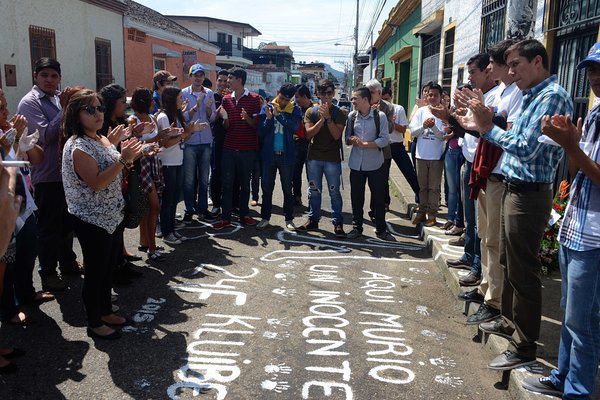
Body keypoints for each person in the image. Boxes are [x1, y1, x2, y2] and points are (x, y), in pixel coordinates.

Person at [458, 39, 573, 370]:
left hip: (529, 192)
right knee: (508, 261)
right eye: (507, 66)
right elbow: (513, 133)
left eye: (516, 65)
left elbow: (525, 147)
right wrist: (486, 122)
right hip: (512, 187)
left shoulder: (551, 97)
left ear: (537, 62)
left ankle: (524, 345)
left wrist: (486, 127)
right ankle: (508, 322)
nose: (510, 72)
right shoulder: (530, 94)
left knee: (523, 269)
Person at [520, 43, 600, 399]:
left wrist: (572, 146)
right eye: (591, 71)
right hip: (575, 227)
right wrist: (572, 144)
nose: (595, 78)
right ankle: (562, 378)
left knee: (584, 322)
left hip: (594, 237)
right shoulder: (596, 116)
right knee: (570, 313)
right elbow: (577, 173)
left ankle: (578, 391)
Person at [61, 89, 143, 339]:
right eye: (90, 110)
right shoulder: (78, 146)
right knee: (96, 270)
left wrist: (123, 151)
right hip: (91, 219)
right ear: (76, 115)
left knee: (107, 268)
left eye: (99, 108)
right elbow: (97, 182)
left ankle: (105, 310)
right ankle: (94, 321)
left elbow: (115, 163)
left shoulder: (99, 137)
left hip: (111, 216)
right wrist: (124, 159)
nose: (98, 113)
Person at [459, 40, 523, 325]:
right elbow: (483, 127)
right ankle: (486, 289)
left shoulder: (515, 94)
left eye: (493, 65)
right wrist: (463, 119)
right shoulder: (501, 92)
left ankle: (495, 301)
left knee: (495, 242)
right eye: (504, 63)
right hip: (488, 172)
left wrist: (484, 117)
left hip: (500, 173)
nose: (490, 69)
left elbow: (498, 128)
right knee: (486, 237)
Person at [16, 58, 81, 292]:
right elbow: (45, 137)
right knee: (49, 228)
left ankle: (68, 263)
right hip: (47, 175)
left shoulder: (57, 97)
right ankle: (48, 274)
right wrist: (65, 108)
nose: (50, 80)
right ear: (36, 76)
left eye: (54, 76)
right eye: (45, 75)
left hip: (66, 173)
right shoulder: (29, 103)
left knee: (66, 225)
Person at [446, 53, 500, 288]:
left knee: (481, 225)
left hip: (485, 166)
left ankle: (478, 267)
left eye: (473, 72)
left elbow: (481, 129)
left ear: (488, 71)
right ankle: (469, 256)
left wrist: (466, 120)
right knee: (471, 217)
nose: (470, 77)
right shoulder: (476, 98)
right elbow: (467, 128)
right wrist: (451, 116)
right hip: (469, 160)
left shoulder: (492, 97)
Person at [212, 68, 262, 230]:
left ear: (239, 80)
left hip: (247, 149)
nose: (227, 82)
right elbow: (227, 127)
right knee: (227, 183)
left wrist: (247, 118)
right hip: (229, 148)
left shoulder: (254, 99)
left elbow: (257, 126)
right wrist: (224, 118)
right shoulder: (226, 99)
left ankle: (244, 215)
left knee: (244, 185)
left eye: (231, 78)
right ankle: (225, 217)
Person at [297, 79, 347, 237]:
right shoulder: (310, 112)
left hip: (332, 159)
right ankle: (313, 220)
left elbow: (336, 135)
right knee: (314, 191)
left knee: (334, 192)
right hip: (314, 158)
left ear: (333, 94)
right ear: (317, 94)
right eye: (323, 93)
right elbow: (308, 134)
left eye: (330, 93)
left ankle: (337, 222)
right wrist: (321, 119)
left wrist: (329, 118)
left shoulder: (339, 113)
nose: (326, 97)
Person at [156, 87, 203, 244]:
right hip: (168, 162)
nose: (183, 100)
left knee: (174, 198)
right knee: (168, 199)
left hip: (178, 161)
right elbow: (165, 143)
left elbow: (183, 140)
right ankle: (166, 232)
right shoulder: (163, 117)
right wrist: (185, 134)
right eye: (180, 97)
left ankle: (172, 230)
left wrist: (191, 131)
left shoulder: (177, 114)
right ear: (171, 99)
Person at [345, 87, 391, 240]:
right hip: (356, 164)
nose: (352, 101)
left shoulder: (380, 116)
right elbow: (347, 138)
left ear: (365, 100)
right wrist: (352, 140)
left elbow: (384, 139)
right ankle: (357, 227)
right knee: (356, 198)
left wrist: (365, 144)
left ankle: (381, 229)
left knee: (378, 198)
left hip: (375, 164)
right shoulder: (352, 116)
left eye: (355, 98)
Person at [256, 83, 302, 231]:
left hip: (286, 156)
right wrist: (269, 119)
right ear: (277, 93)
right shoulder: (266, 107)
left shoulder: (295, 109)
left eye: (286, 100)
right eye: (281, 98)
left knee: (288, 189)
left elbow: (294, 127)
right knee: (267, 188)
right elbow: (260, 132)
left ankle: (289, 218)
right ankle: (265, 218)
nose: (282, 102)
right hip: (269, 155)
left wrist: (278, 116)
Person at [128, 87, 164, 261]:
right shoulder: (132, 120)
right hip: (140, 164)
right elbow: (134, 144)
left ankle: (145, 241)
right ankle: (152, 248)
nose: (153, 102)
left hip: (154, 162)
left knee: (148, 207)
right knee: (154, 206)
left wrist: (164, 136)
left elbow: (156, 141)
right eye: (151, 99)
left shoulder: (152, 118)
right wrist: (159, 137)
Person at [181, 64, 217, 223]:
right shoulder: (183, 94)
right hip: (190, 142)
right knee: (189, 179)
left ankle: (203, 209)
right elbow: (183, 119)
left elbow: (213, 118)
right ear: (190, 77)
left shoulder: (209, 93)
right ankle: (189, 209)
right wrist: (196, 107)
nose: (198, 78)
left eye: (201, 75)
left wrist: (208, 109)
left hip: (206, 141)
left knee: (204, 178)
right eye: (195, 75)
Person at [408, 83, 445, 226]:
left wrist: (433, 127)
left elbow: (442, 136)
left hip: (436, 156)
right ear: (426, 96)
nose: (433, 97)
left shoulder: (443, 113)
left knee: (434, 188)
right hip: (421, 155)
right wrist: (424, 126)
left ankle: (432, 214)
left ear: (440, 96)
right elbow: (413, 132)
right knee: (422, 187)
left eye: (436, 95)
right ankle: (421, 212)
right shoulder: (421, 111)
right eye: (430, 95)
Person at [381, 86, 420, 204]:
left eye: (387, 99)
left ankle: (420, 199)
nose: (385, 102)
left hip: (397, 146)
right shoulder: (378, 110)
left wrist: (392, 122)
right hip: (384, 146)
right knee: (383, 177)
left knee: (409, 172)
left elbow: (403, 129)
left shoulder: (398, 109)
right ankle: (385, 202)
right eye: (382, 100)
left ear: (391, 97)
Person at [365, 79, 395, 217]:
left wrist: (378, 117)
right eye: (367, 92)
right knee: (371, 184)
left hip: (383, 153)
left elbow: (390, 128)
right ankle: (374, 209)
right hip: (366, 151)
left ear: (379, 92)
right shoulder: (362, 106)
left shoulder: (388, 107)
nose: (369, 95)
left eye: (371, 92)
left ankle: (377, 211)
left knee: (380, 184)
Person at [209, 69, 231, 217]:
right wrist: (218, 112)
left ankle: (230, 204)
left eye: (225, 81)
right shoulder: (212, 96)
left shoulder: (232, 98)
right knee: (216, 172)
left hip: (231, 140)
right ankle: (216, 204)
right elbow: (210, 119)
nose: (223, 84)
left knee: (230, 173)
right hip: (216, 139)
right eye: (220, 81)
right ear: (216, 81)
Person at [292, 84, 315, 207]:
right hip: (296, 145)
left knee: (311, 175)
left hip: (311, 146)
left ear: (305, 96)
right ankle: (296, 197)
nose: (296, 100)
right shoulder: (295, 109)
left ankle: (313, 200)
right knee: (295, 173)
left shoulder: (316, 110)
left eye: (297, 97)